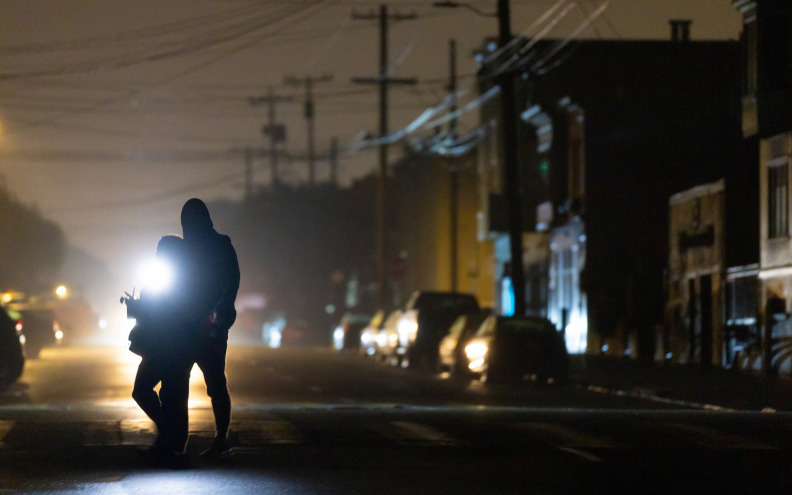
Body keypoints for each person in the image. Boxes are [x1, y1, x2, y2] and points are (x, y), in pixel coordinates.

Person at [180, 198, 240, 460]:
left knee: (215, 381)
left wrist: (217, 312)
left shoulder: (221, 247)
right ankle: (175, 438)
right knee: (179, 381)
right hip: (186, 324)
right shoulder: (186, 251)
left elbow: (231, 284)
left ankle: (221, 439)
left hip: (212, 326)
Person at [129, 235, 196, 464]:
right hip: (163, 347)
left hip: (170, 347)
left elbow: (166, 313)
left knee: (171, 395)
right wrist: (136, 305)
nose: (158, 257)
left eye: (162, 253)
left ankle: (174, 447)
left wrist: (141, 307)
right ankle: (169, 441)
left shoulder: (181, 280)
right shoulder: (169, 278)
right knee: (163, 395)